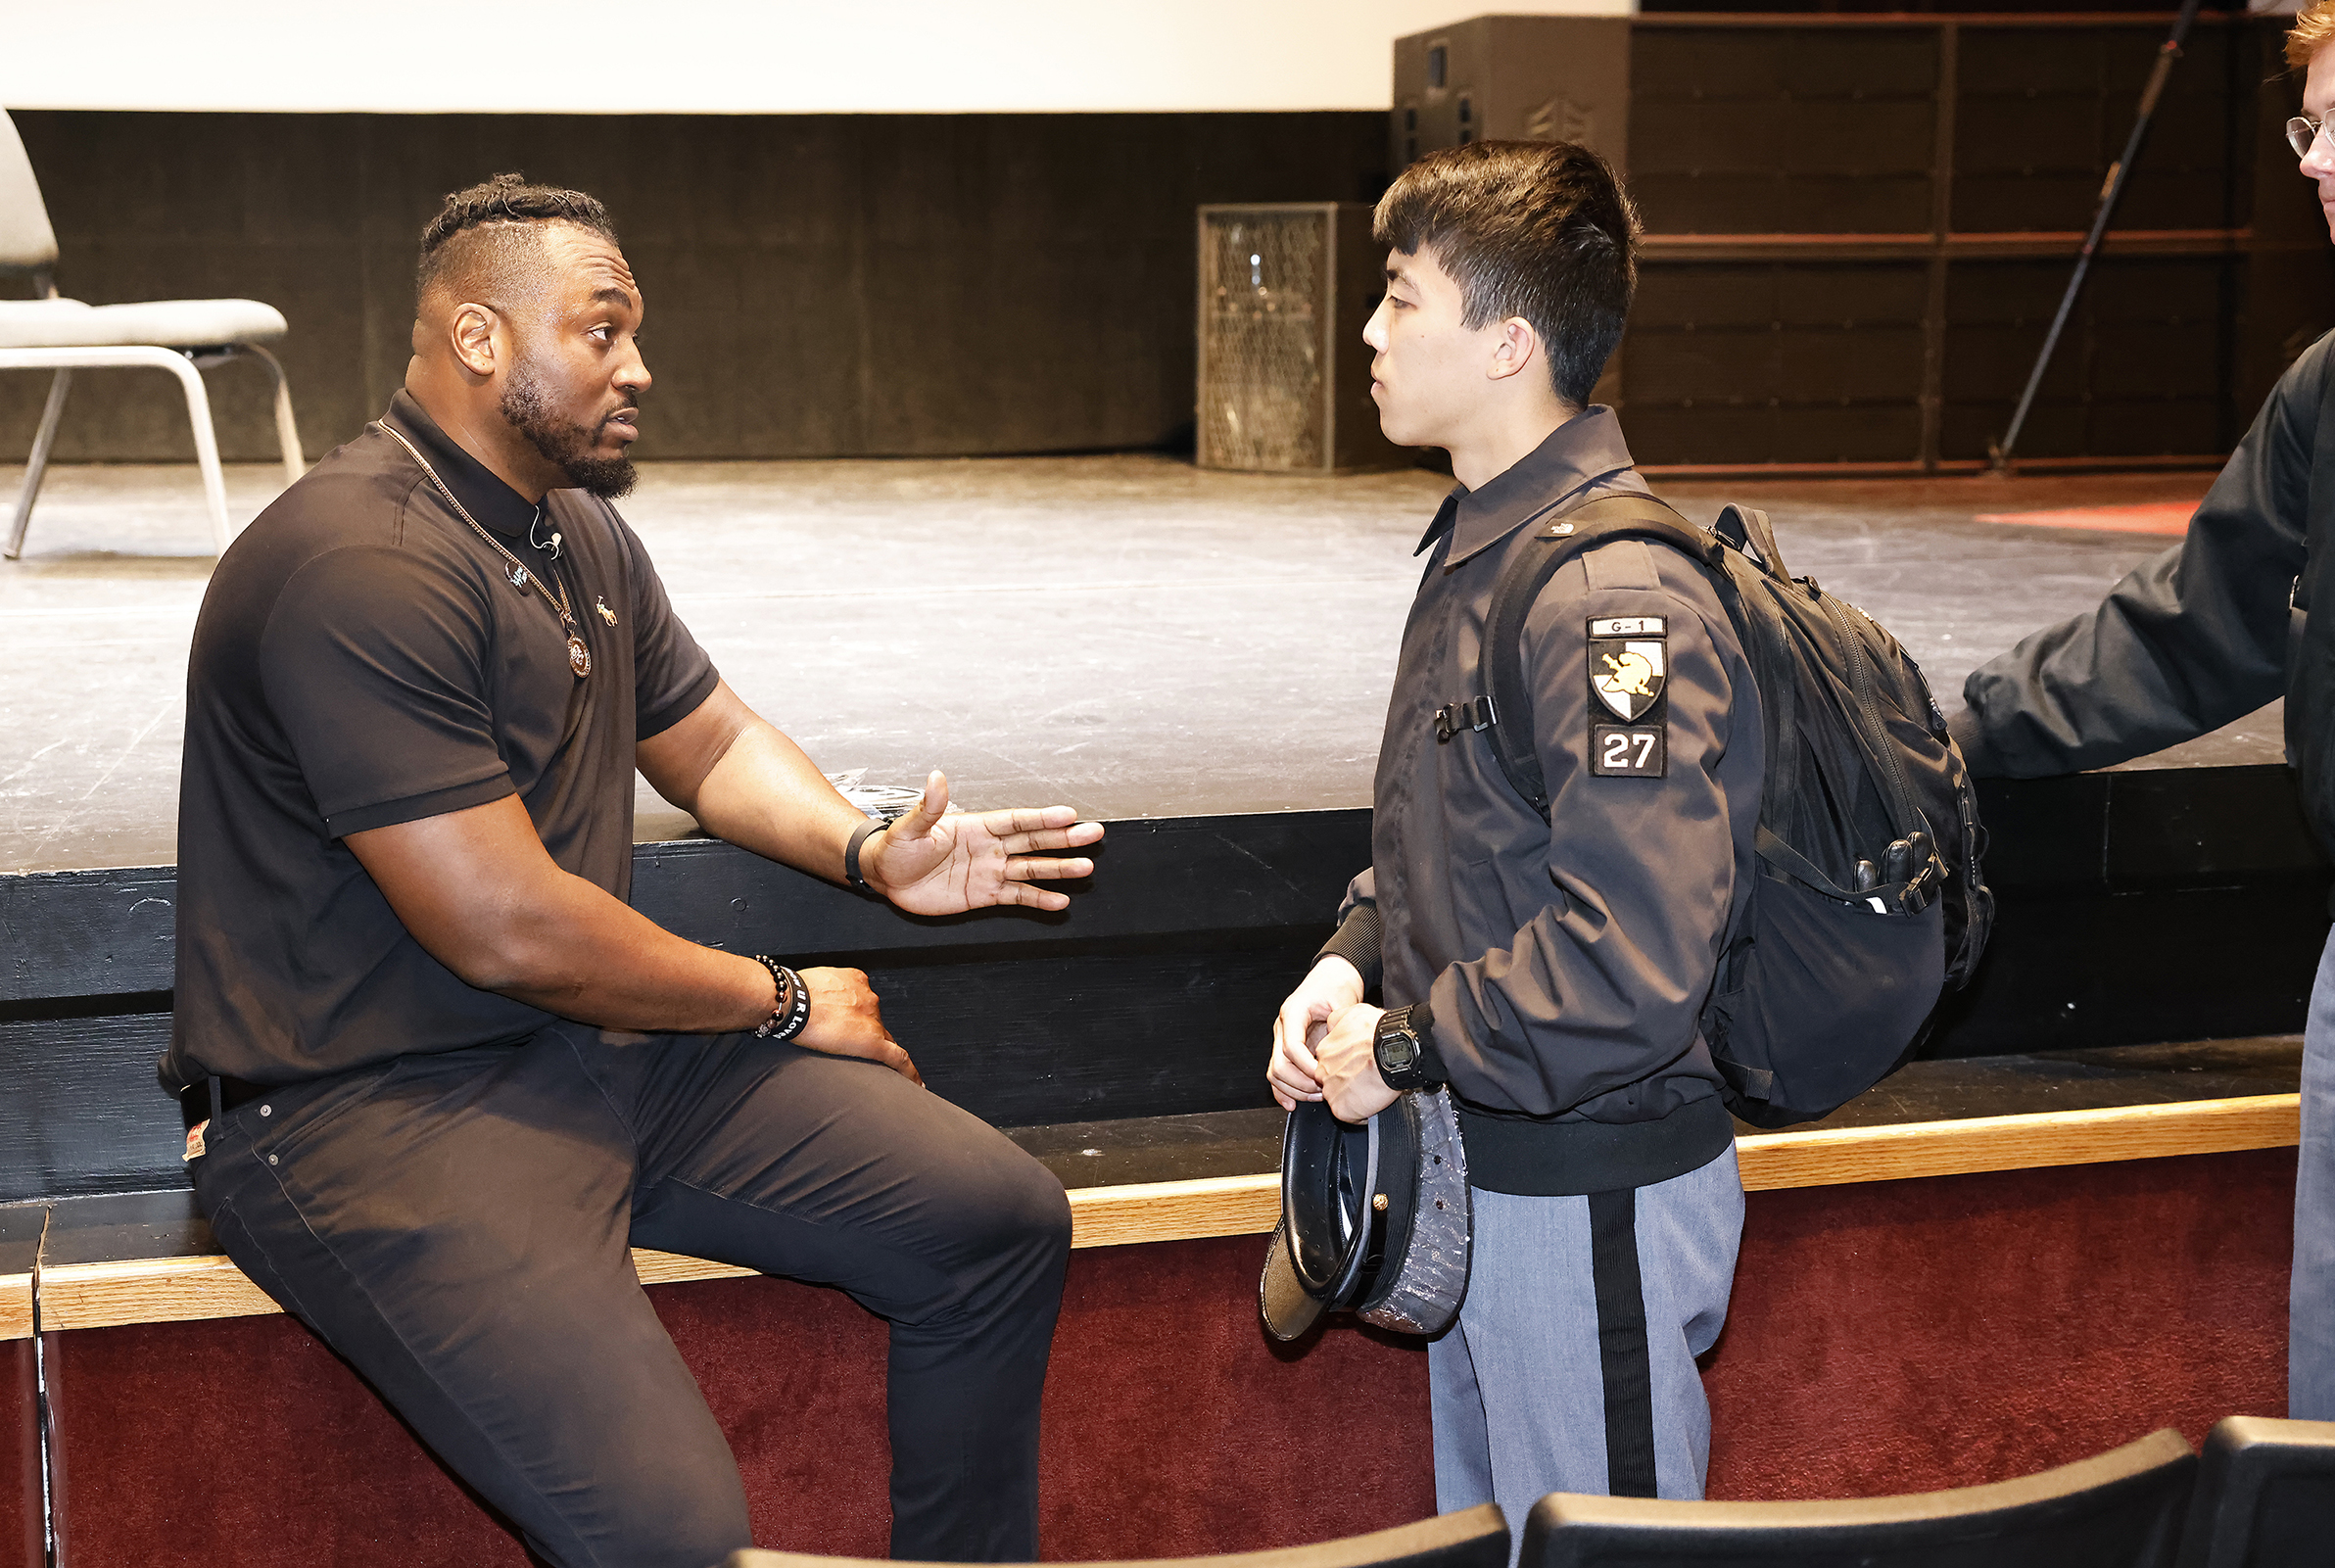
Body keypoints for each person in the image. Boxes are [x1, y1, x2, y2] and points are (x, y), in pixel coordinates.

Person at [168, 173, 1104, 1568]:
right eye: (602, 330)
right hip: (363, 1109)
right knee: (666, 1532)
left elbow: (707, 738)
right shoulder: (356, 561)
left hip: (576, 1055)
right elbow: (504, 923)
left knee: (995, 1217)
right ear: (481, 340)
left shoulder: (576, 530)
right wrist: (782, 996)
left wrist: (868, 847)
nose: (639, 366)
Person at [1265, 142, 1761, 1530]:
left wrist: (1406, 1048)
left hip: (1586, 1189)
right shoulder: (1493, 544)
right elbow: (1464, 831)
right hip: (1499, 1161)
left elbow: (1635, 955)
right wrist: (1353, 962)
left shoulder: (1616, 605)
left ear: (1507, 344)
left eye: (1403, 298)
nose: (1369, 329)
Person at [1949, 3, 2335, 1424]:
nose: (2315, 161)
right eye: (2312, 125)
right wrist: (1958, 731)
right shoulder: (2333, 390)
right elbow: (2190, 629)